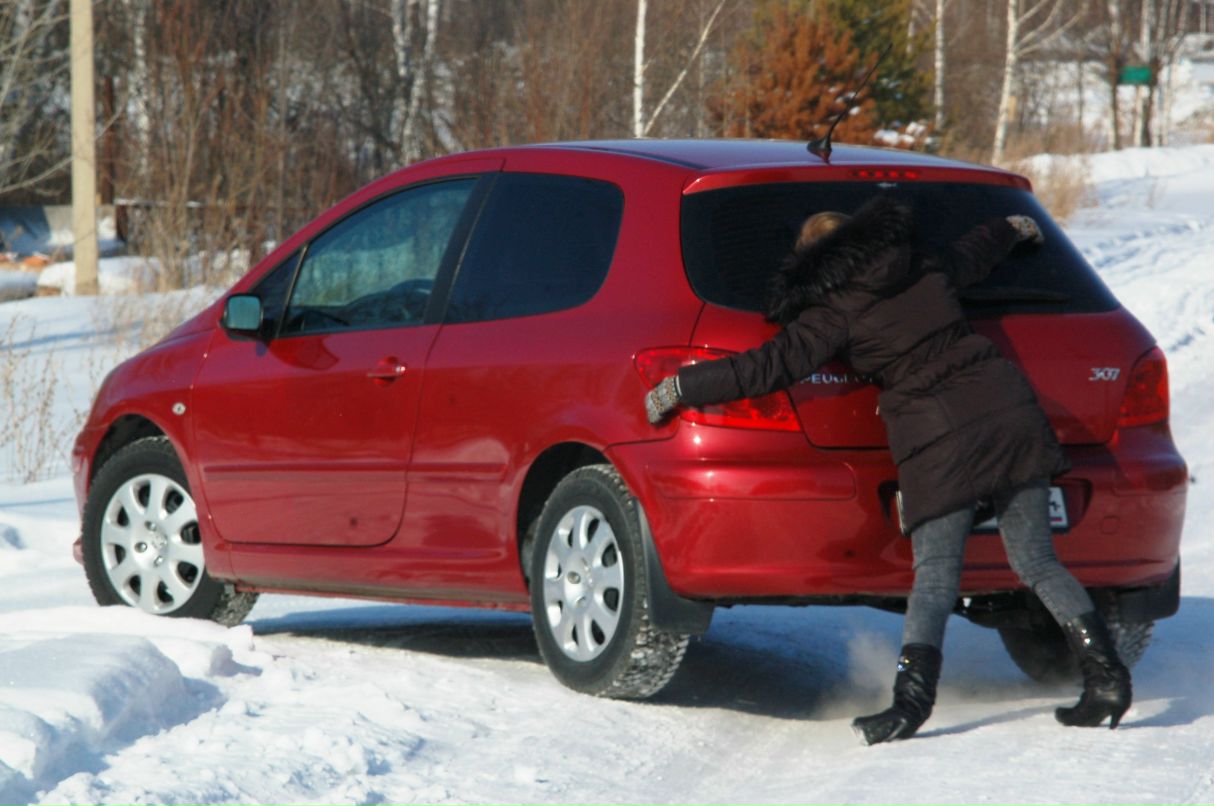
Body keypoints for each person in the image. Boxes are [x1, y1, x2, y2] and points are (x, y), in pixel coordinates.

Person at [644, 195, 1132, 745]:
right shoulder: (921, 264)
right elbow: (973, 251)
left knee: (935, 578)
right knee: (1038, 561)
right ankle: (1107, 680)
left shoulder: (832, 311)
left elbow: (767, 367)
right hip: (1006, 410)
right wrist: (1012, 226)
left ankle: (910, 705)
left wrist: (682, 386)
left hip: (937, 436)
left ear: (813, 263)